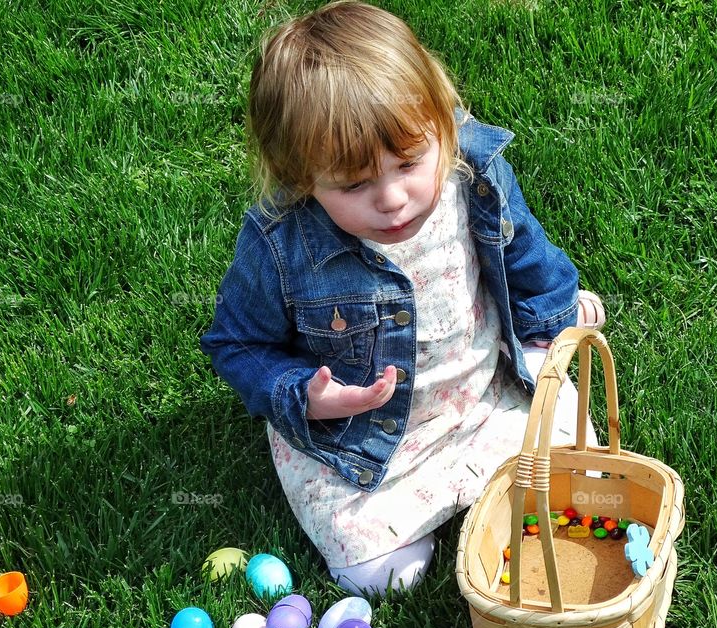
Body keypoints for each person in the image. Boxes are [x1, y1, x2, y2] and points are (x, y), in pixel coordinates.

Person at [200, 0, 606, 597]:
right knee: (389, 580)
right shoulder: (281, 241)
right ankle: (406, 523)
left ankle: (500, 464)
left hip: (484, 393)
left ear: (442, 122)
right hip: (364, 440)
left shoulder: (473, 172)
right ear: (298, 177)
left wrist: (549, 321)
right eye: (354, 184)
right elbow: (236, 343)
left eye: (410, 162)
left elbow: (526, 255)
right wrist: (307, 397)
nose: (391, 198)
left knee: (581, 483)